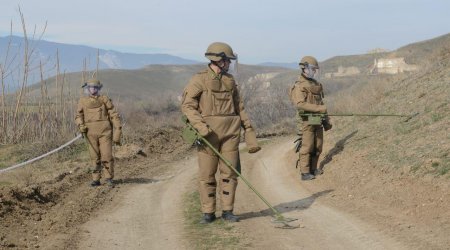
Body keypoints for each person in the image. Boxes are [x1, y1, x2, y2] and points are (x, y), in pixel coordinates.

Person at [181, 42, 260, 224]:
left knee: (229, 173)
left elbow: (239, 107)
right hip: (208, 134)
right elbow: (187, 106)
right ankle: (208, 212)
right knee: (207, 174)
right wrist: (201, 127)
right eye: (227, 60)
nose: (229, 63)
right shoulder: (199, 80)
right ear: (218, 59)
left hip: (231, 133)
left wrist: (248, 128)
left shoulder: (230, 81)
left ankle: (228, 211)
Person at [289, 56, 332, 181]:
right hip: (306, 119)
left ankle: (314, 168)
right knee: (307, 146)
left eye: (316, 69)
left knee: (318, 145)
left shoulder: (316, 84)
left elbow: (321, 103)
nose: (315, 71)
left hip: (317, 119)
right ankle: (305, 172)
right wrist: (320, 109)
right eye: (313, 69)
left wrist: (326, 120)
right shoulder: (299, 85)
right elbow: (300, 104)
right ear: (305, 68)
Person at [75, 78, 122, 187]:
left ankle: (109, 178)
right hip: (90, 133)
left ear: (98, 88)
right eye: (91, 87)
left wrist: (118, 129)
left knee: (106, 155)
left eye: (95, 87)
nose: (93, 89)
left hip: (105, 132)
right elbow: (78, 116)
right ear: (87, 88)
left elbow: (113, 115)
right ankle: (96, 179)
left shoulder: (104, 99)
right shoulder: (82, 101)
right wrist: (80, 125)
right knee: (94, 157)